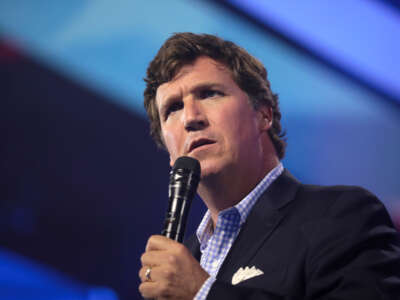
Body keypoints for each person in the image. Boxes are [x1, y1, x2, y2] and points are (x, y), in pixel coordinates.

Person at [138, 33, 400, 299]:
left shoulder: (343, 217)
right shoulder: (181, 265)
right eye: (173, 108)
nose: (190, 118)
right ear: (170, 153)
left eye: (209, 93)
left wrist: (202, 292)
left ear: (263, 114)